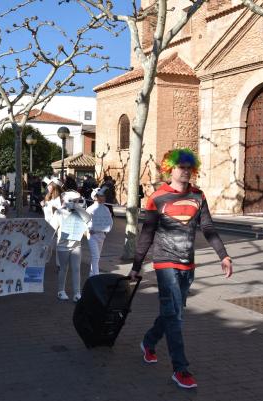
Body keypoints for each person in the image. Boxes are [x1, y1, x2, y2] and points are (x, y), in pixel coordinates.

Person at [128, 148, 233, 389]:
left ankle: (149, 341)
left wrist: (224, 255)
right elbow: (147, 234)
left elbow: (208, 228)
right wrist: (136, 266)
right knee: (174, 315)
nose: (185, 172)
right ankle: (181, 369)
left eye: (188, 168)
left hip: (188, 264)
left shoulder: (198, 196)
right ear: (170, 169)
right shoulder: (157, 197)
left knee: (174, 312)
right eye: (180, 167)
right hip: (165, 263)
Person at [51, 191, 90, 302]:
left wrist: (77, 208)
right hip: (63, 245)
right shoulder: (59, 212)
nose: (75, 203)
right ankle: (60, 291)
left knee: (76, 268)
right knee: (63, 268)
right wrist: (45, 243)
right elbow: (52, 228)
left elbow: (87, 218)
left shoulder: (80, 212)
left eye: (76, 201)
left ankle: (77, 293)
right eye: (72, 201)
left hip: (76, 244)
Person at [86, 187, 113, 277]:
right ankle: (96, 276)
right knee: (95, 256)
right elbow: (85, 221)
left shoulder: (106, 209)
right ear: (95, 197)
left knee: (97, 257)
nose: (104, 197)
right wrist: (89, 230)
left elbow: (109, 221)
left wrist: (105, 231)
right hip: (92, 236)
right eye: (101, 195)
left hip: (101, 235)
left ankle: (91, 274)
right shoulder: (90, 209)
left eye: (103, 195)